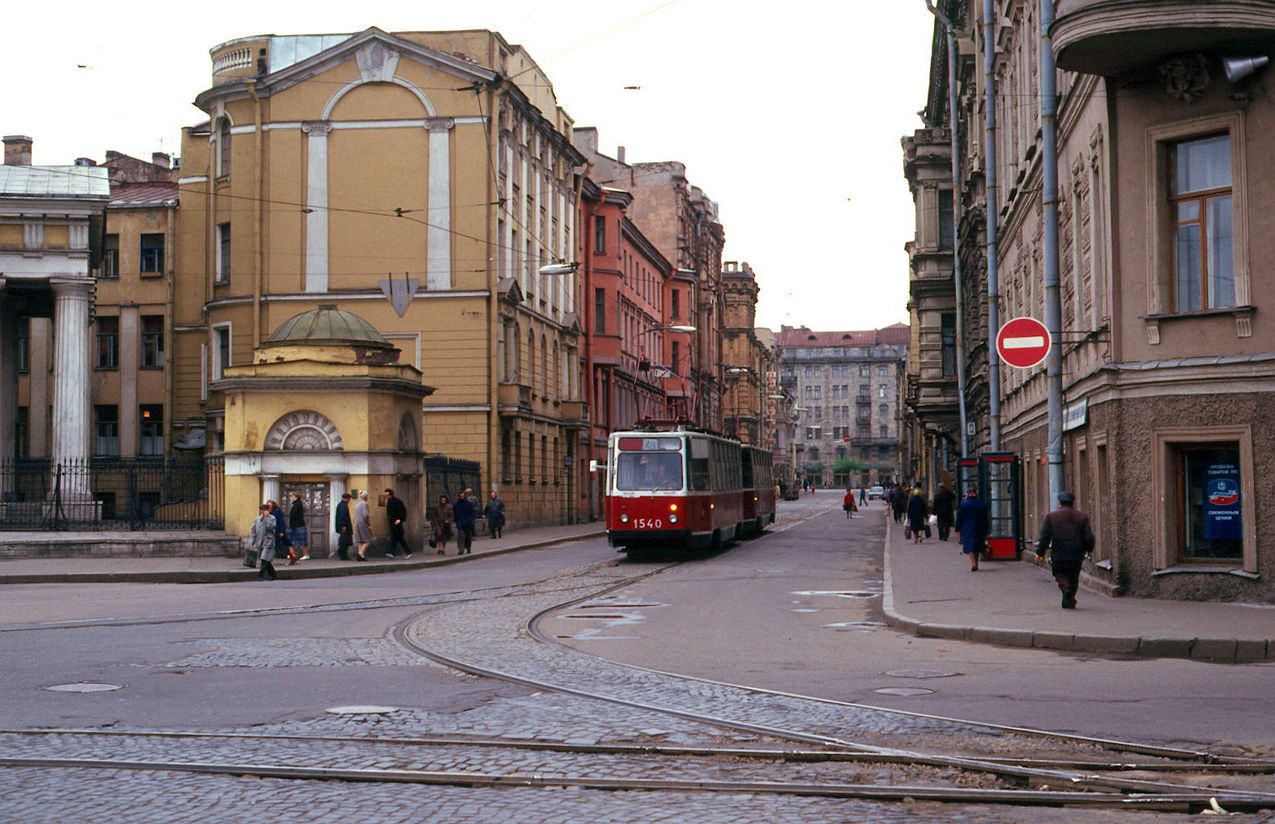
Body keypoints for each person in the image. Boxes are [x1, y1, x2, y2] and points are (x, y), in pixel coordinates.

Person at [1035, 491, 1095, 609]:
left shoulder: (1052, 517)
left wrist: (1040, 553)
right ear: (1073, 503)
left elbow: (1045, 537)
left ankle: (1065, 588)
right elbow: (1088, 537)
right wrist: (1089, 549)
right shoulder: (1082, 517)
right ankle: (1069, 599)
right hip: (1077, 552)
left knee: (1059, 573)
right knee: (1074, 575)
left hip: (1059, 551)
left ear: (1059, 503)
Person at [954, 488, 990, 571]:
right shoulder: (982, 504)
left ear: (967, 495)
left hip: (967, 528)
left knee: (970, 546)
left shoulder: (963, 505)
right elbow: (986, 518)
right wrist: (987, 530)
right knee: (977, 545)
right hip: (979, 527)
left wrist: (957, 529)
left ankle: (973, 563)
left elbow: (959, 518)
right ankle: (976, 563)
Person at [250, 503, 278, 581]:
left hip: (268, 541)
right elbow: (253, 530)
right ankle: (273, 574)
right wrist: (252, 540)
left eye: (265, 510)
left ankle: (260, 574)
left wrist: (266, 518)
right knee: (266, 559)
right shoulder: (257, 519)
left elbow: (271, 527)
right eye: (262, 510)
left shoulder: (272, 518)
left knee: (264, 558)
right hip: (260, 541)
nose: (263, 511)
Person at [383, 488, 412, 559]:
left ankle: (408, 552)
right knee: (394, 538)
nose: (386, 497)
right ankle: (392, 553)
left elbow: (403, 511)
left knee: (400, 538)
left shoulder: (397, 501)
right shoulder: (389, 502)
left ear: (391, 495)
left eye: (387, 495)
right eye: (385, 495)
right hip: (393, 522)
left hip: (397, 522)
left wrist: (400, 519)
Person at [268, 499, 294, 564]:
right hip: (274, 531)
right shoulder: (269, 512)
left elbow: (281, 521)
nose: (268, 506)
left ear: (273, 505)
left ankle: (292, 556)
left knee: (285, 544)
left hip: (279, 531)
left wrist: (282, 531)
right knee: (273, 545)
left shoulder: (277, 511)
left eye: (269, 505)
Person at [453, 488, 478, 555]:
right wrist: (456, 521)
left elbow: (472, 513)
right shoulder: (456, 504)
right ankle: (461, 549)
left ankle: (468, 547)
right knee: (460, 536)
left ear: (465, 496)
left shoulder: (469, 503)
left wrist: (470, 520)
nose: (461, 497)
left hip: (468, 523)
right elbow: (454, 513)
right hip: (460, 523)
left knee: (468, 536)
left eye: (463, 496)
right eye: (460, 496)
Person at [288, 492, 310, 562]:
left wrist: (292, 522)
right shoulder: (297, 504)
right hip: (297, 525)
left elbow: (293, 515)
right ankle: (293, 554)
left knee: (299, 541)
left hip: (296, 525)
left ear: (295, 497)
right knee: (299, 541)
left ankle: (304, 554)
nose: (291, 498)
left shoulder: (297, 504)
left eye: (292, 496)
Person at [353, 490, 374, 561]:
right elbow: (365, 515)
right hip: (363, 523)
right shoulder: (364, 504)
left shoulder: (357, 504)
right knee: (367, 540)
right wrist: (369, 523)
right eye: (367, 496)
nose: (367, 497)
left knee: (361, 540)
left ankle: (360, 555)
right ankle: (361, 554)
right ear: (364, 497)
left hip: (356, 523)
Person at [333, 492, 353, 561]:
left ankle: (343, 555)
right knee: (345, 542)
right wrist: (344, 525)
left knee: (344, 541)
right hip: (344, 526)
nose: (349, 500)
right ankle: (343, 554)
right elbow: (343, 516)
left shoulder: (341, 504)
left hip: (342, 525)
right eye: (349, 499)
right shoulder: (343, 505)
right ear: (347, 498)